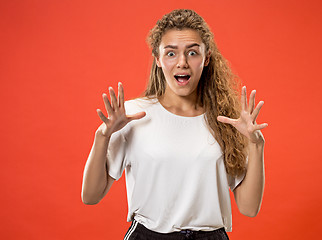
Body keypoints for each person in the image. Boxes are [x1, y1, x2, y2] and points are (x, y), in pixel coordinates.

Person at [81, 9, 268, 240]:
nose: (182, 63)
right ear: (158, 59)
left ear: (206, 58)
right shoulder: (132, 115)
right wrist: (102, 136)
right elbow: (90, 196)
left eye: (192, 52)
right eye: (171, 53)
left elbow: (249, 208)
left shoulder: (225, 120)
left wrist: (256, 146)